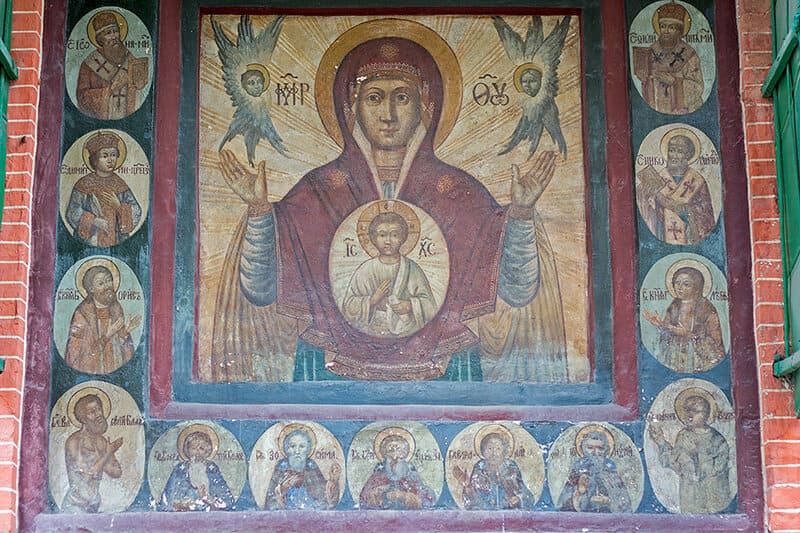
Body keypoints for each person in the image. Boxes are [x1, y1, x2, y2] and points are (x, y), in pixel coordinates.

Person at [214, 32, 569, 383]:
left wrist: (521, 214)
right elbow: (260, 291)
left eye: (402, 97)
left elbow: (517, 292)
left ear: (426, 106)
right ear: (350, 107)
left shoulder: (459, 193)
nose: (388, 114)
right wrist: (259, 211)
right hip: (329, 367)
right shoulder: (318, 191)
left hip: (443, 369)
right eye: (374, 97)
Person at [341, 210, 436, 337]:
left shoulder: (411, 268)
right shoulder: (366, 269)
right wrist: (372, 300)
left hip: (406, 330)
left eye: (395, 235)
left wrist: (410, 305)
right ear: (374, 239)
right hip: (372, 331)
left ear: (402, 239)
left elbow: (430, 306)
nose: (388, 241)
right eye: (382, 235)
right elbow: (347, 306)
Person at [649, 391, 731, 514]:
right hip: (689, 496)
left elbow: (717, 468)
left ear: (706, 414)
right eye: (687, 410)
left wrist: (697, 457)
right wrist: (661, 442)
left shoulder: (717, 439)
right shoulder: (684, 435)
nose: (690, 415)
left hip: (710, 496)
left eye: (695, 411)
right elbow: (675, 462)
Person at [65, 131, 143, 247]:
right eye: (105, 156)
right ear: (95, 160)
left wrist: (118, 206)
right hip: (91, 239)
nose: (110, 160)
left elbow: (136, 211)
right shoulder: (83, 184)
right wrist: (94, 220)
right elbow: (72, 211)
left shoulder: (120, 184)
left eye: (113, 155)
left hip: (117, 239)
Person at [636, 133, 716, 244]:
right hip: (662, 235)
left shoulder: (697, 181)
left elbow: (706, 216)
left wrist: (684, 211)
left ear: (688, 155)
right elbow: (646, 214)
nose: (674, 155)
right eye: (671, 150)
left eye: (680, 151)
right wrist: (648, 197)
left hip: (688, 238)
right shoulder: (658, 178)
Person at [643, 266, 725, 372]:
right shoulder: (674, 306)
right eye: (677, 283)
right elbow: (667, 334)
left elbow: (716, 344)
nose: (680, 287)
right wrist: (661, 325)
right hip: (675, 357)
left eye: (686, 284)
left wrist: (690, 335)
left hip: (696, 360)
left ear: (697, 288)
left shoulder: (706, 308)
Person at [64, 263, 142, 374]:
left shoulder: (116, 308)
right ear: (91, 289)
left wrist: (125, 333)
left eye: (109, 280)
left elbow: (125, 356)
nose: (107, 286)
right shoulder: (82, 314)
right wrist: (107, 335)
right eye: (101, 283)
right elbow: (76, 358)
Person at [632, 1, 704, 114]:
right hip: (656, 109)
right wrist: (644, 80)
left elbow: (698, 88)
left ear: (679, 31)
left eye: (671, 27)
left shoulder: (689, 55)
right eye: (663, 26)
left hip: (682, 111)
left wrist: (675, 82)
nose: (665, 31)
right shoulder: (650, 52)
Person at [76, 10, 149, 119]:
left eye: (116, 31)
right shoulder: (89, 64)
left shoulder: (130, 58)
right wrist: (110, 90)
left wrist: (139, 86)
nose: (114, 36)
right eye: (108, 33)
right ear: (100, 39)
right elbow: (82, 98)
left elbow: (141, 90)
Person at [62, 393, 123, 513]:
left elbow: (116, 472)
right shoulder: (75, 441)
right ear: (83, 419)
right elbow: (86, 477)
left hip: (94, 504)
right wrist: (108, 453)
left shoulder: (101, 441)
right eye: (92, 412)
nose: (98, 414)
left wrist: (109, 454)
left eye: (99, 409)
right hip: (75, 506)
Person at [453, 429, 535, 510]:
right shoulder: (479, 468)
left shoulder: (511, 467)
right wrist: (468, 487)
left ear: (504, 451)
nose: (493, 453)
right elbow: (473, 502)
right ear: (483, 451)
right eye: (489, 448)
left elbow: (527, 497)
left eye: (498, 448)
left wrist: (518, 499)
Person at [557, 427, 632, 513]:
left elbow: (623, 503)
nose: (595, 452)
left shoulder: (610, 471)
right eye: (590, 448)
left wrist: (610, 501)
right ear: (583, 449)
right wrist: (579, 493)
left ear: (606, 450)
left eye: (600, 448)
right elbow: (564, 503)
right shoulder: (578, 471)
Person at [159, 427, 235, 511]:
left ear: (207, 451)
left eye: (201, 448)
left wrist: (208, 498)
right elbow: (167, 499)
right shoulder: (180, 470)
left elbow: (227, 500)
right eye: (193, 448)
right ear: (187, 450)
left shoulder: (212, 469)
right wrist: (181, 504)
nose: (197, 452)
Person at [265, 427, 341, 509]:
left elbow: (324, 496)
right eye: (292, 446)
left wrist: (333, 481)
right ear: (286, 449)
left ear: (308, 450)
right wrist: (283, 487)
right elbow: (270, 502)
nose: (297, 451)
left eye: (301, 446)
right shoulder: (281, 466)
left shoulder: (311, 466)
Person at [360, 429, 436, 510]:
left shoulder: (409, 470)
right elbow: (365, 496)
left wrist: (403, 495)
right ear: (384, 452)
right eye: (390, 450)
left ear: (404, 452)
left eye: (398, 449)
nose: (394, 453)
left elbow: (422, 495)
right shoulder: (380, 470)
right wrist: (378, 492)